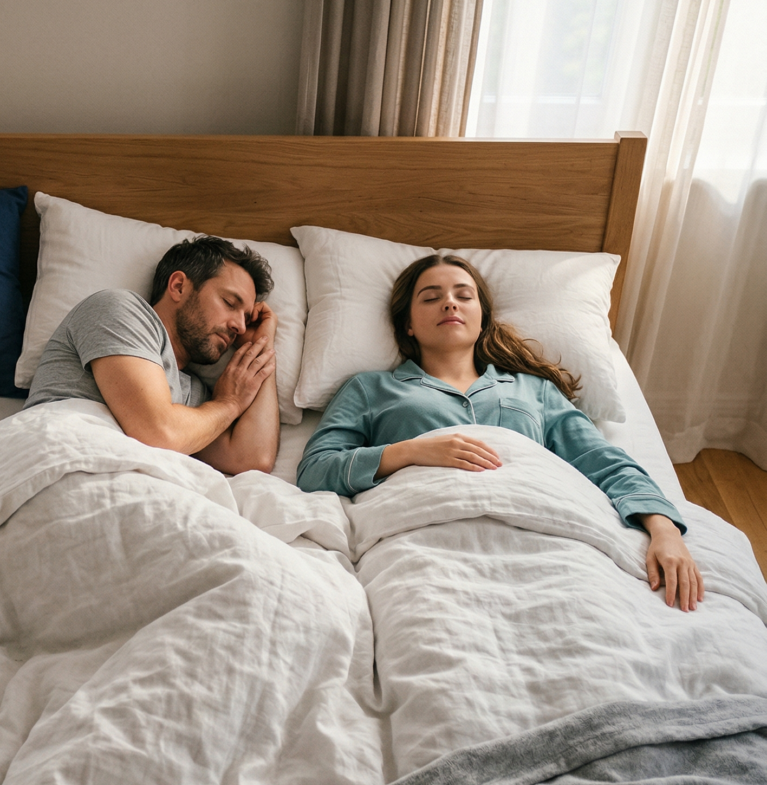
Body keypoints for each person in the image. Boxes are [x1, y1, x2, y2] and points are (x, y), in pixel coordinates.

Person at [297, 253, 704, 612]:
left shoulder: (533, 390)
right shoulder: (370, 389)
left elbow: (602, 461)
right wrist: (410, 452)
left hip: (544, 541)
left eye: (463, 294)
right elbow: (315, 470)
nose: (449, 302)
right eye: (431, 296)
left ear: (482, 316)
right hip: (426, 547)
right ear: (408, 324)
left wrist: (663, 529)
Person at [26, 236, 280, 474]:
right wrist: (229, 404)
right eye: (229, 303)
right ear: (179, 286)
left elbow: (252, 459)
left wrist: (262, 344)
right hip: (59, 460)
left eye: (246, 318)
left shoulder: (194, 394)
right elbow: (158, 431)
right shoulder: (118, 309)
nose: (240, 326)